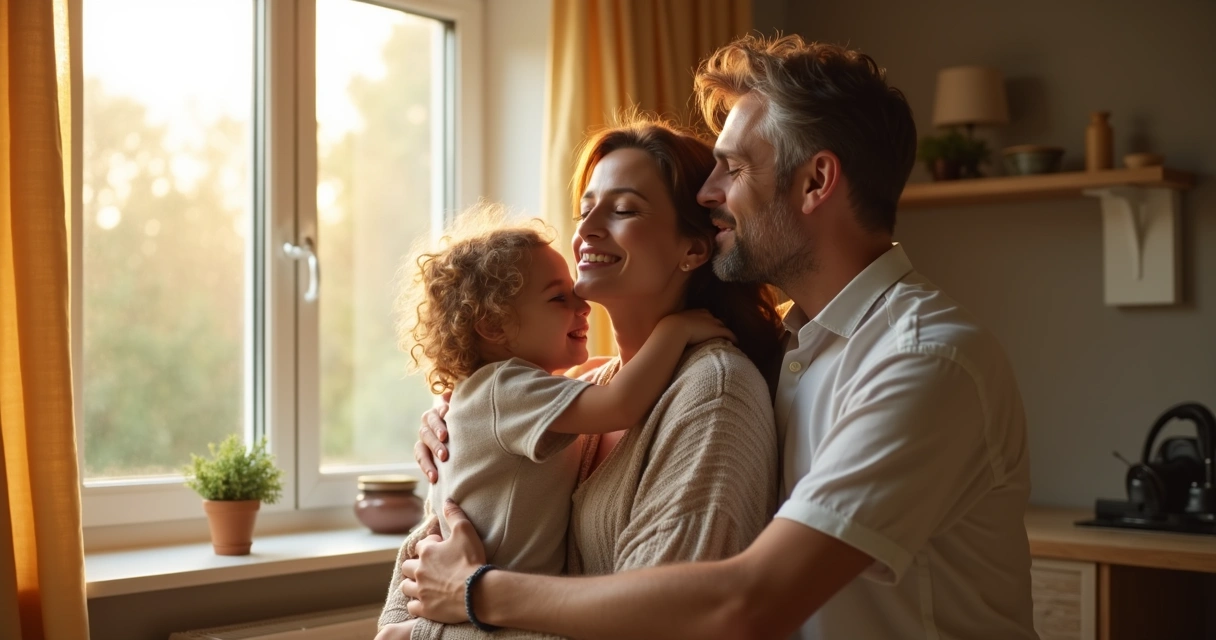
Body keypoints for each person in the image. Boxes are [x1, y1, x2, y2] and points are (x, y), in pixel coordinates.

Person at [402, 35, 1037, 639]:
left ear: (816, 182)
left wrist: (476, 591)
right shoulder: (795, 351)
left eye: (732, 167)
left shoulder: (921, 360)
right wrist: (468, 412)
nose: (710, 193)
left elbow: (745, 606)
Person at [376, 117, 787, 639]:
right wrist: (456, 423)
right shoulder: (585, 388)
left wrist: (445, 618)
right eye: (585, 208)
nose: (586, 230)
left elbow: (659, 630)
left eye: (623, 210)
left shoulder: (711, 394)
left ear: (693, 249)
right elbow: (429, 562)